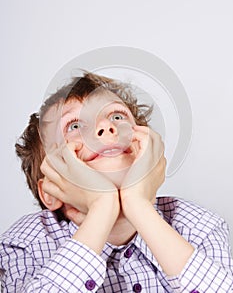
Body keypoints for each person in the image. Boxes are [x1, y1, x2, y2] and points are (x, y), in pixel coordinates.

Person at [0, 71, 232, 293]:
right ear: (49, 190)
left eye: (117, 117)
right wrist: (102, 207)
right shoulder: (23, 244)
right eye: (75, 126)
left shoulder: (200, 227)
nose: (106, 127)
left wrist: (138, 206)